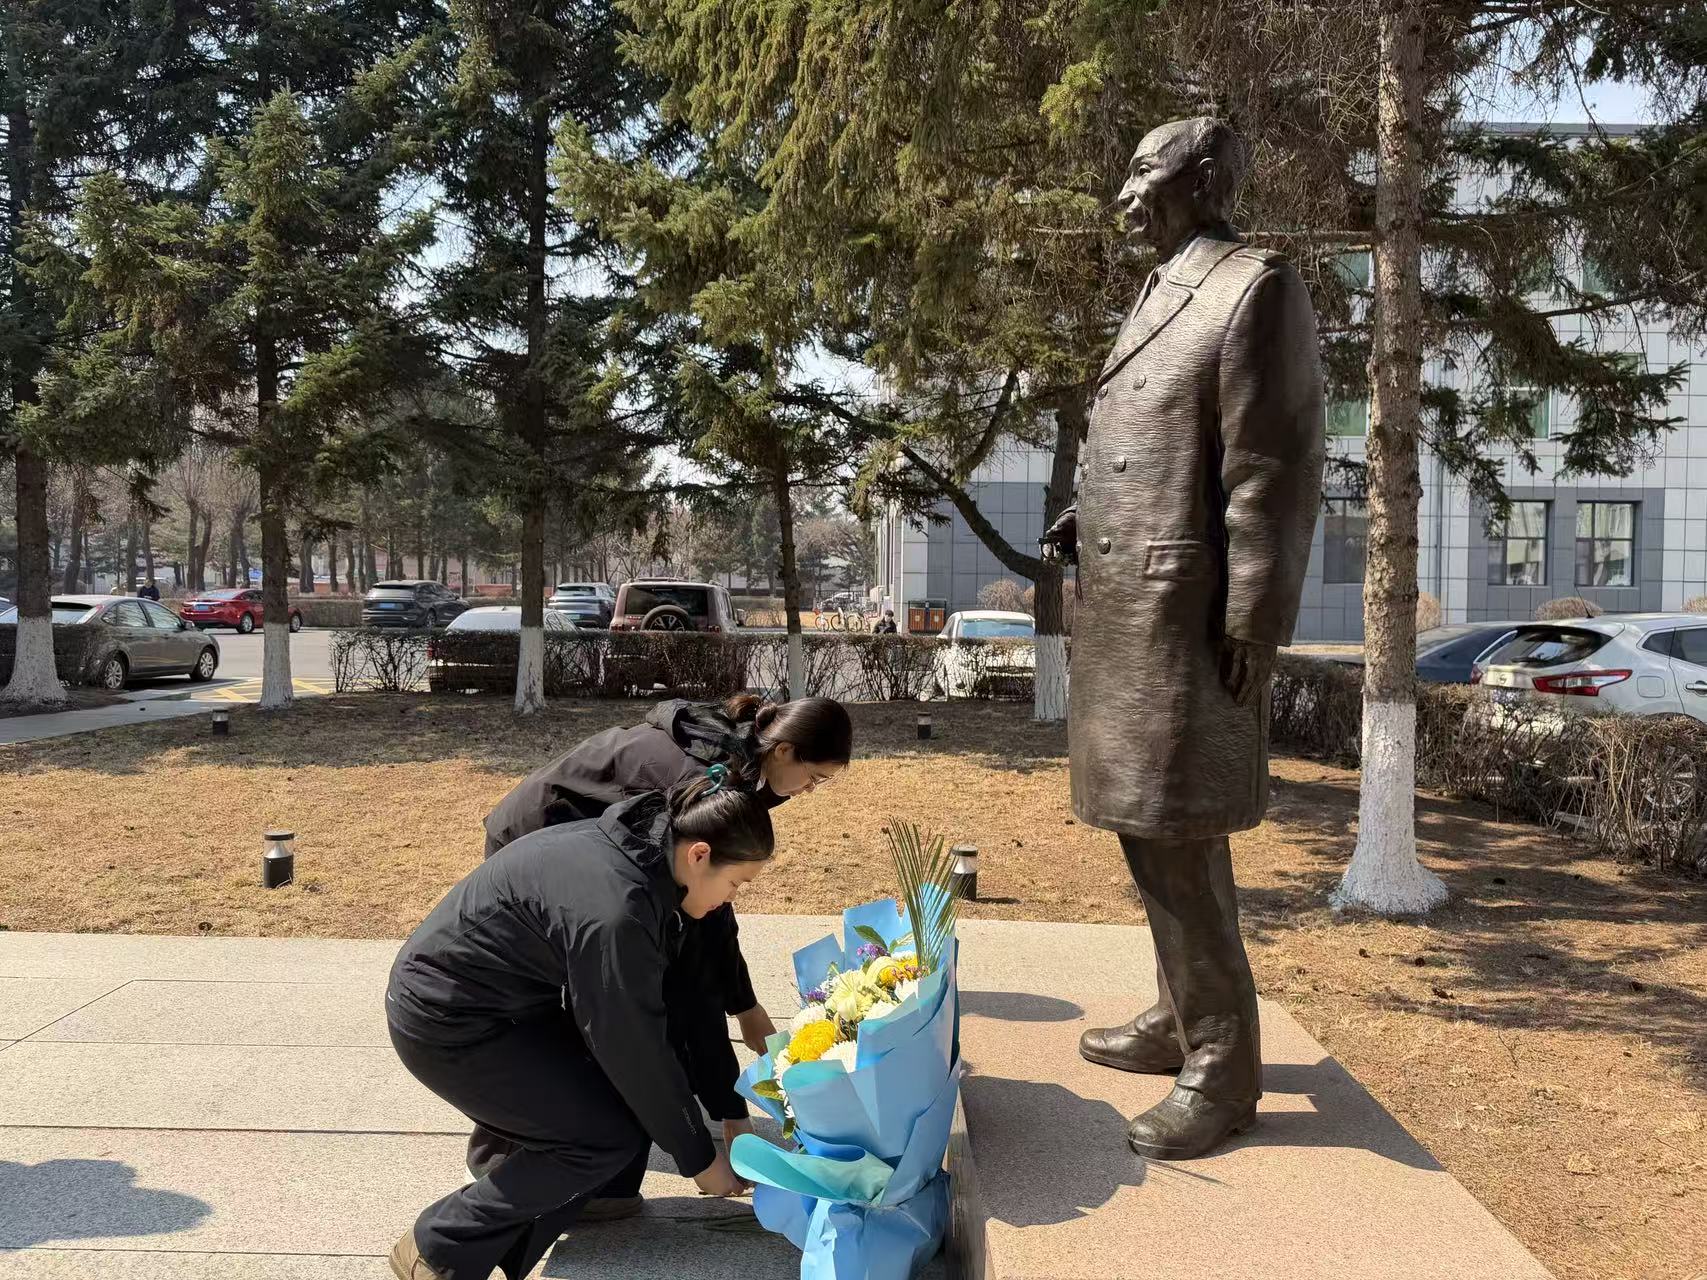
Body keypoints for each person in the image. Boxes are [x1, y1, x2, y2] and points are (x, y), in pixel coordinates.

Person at [1041, 117, 1323, 1160]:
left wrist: (1256, 614)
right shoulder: (1167, 287)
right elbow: (1166, 442)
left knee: (1178, 835)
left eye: (1141, 173)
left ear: (1202, 180)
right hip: (1132, 610)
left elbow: (1272, 470)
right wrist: (1091, 514)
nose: (1125, 196)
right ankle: (1176, 1015)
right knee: (1152, 829)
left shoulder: (1254, 287)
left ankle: (1221, 1064)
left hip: (1187, 622)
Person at [476, 694, 853, 1218]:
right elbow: (693, 959)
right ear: (785, 750)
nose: (810, 792)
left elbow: (712, 910)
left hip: (591, 854)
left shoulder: (742, 767)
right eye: (814, 779)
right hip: (537, 845)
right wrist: (726, 1111)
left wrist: (743, 1006)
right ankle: (502, 1159)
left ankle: (573, 1152)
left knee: (635, 1002)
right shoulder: (703, 778)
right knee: (599, 1008)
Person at [387, 776, 774, 1280]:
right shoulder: (618, 912)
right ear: (699, 855)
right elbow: (636, 1050)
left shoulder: (642, 850)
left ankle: (584, 1194)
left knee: (621, 1109)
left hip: (503, 1005)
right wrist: (701, 1159)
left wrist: (716, 1115)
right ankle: (438, 1245)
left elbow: (668, 1016)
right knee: (599, 1138)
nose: (730, 898)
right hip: (447, 1020)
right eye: (737, 884)